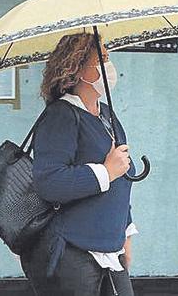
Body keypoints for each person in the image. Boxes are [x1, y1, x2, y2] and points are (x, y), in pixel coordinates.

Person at [21, 32, 137, 296]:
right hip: (73, 249)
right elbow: (49, 181)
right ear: (77, 69)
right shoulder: (61, 116)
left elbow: (121, 179)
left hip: (110, 244)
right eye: (102, 59)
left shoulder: (106, 114)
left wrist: (126, 233)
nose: (109, 66)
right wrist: (105, 171)